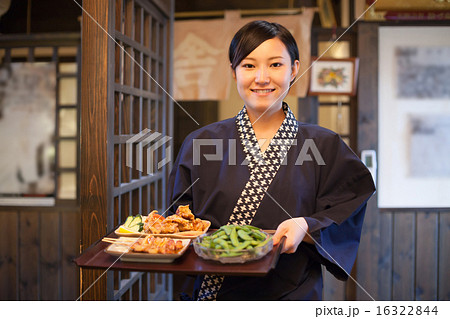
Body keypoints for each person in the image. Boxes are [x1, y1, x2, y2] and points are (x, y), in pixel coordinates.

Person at [167, 20, 375, 300]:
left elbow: (350, 202)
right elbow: (179, 220)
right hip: (213, 294)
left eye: (275, 65)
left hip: (292, 295)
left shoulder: (324, 144)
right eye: (249, 65)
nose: (262, 77)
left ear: (294, 69)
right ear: (233, 72)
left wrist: (307, 226)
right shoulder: (200, 142)